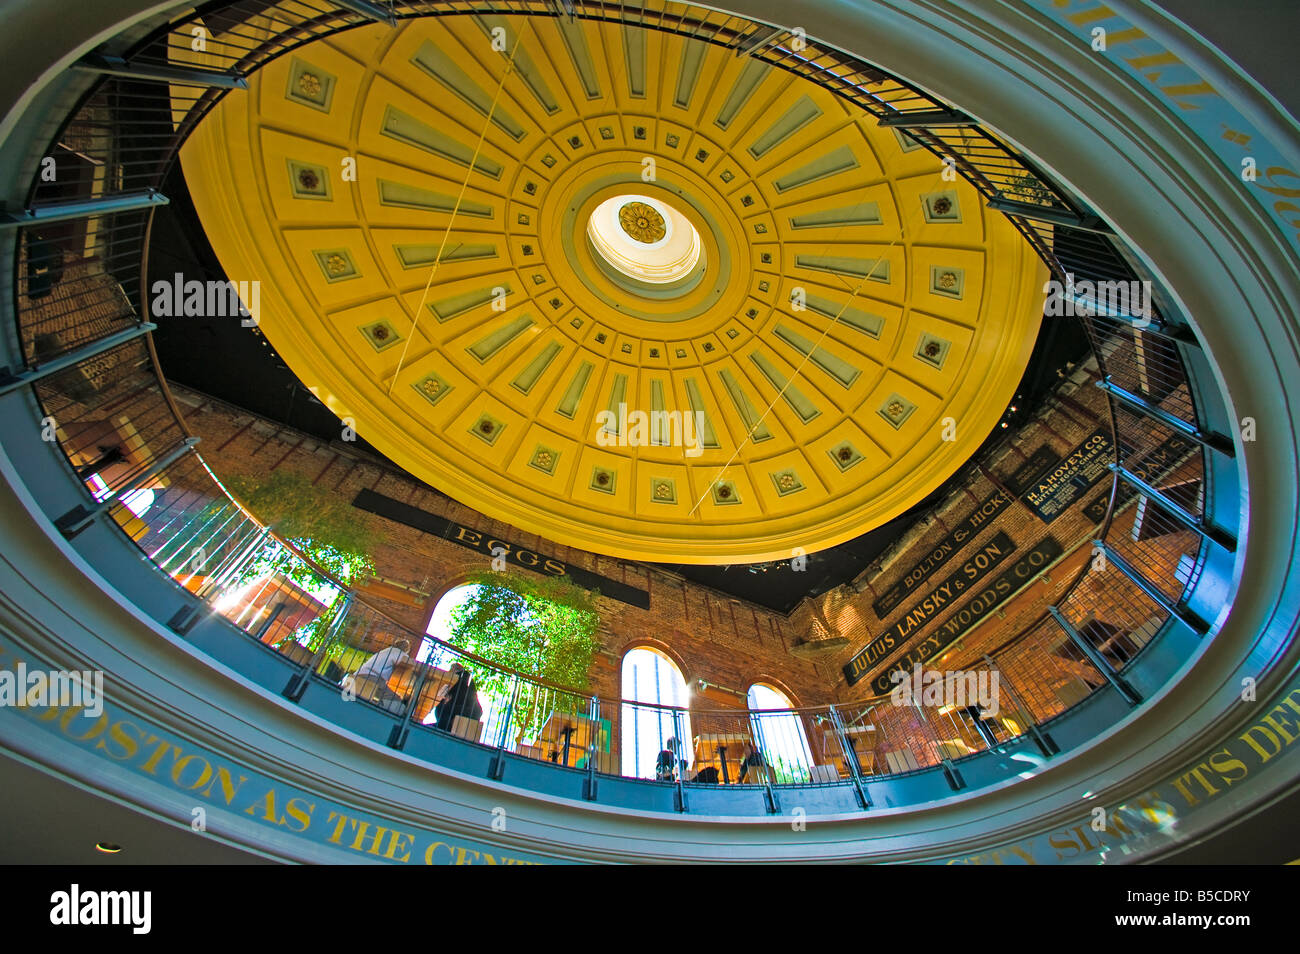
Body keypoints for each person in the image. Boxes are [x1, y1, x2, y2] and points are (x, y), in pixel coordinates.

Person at [343, 638, 410, 711]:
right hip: (371, 677)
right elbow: (409, 662)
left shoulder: (387, 651)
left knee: (379, 695)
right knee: (395, 700)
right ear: (406, 649)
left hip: (358, 675)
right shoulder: (398, 652)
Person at [434, 662, 482, 732]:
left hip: (448, 724)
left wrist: (447, 706)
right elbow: (477, 711)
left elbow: (438, 707)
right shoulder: (468, 686)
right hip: (462, 726)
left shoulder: (448, 685)